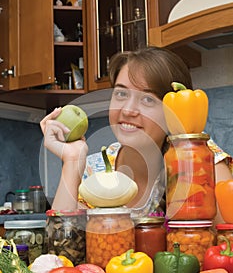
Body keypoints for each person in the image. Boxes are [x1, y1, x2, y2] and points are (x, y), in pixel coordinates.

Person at [40, 46, 232, 225]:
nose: (128, 110)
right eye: (121, 94)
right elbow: (63, 247)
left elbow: (225, 241)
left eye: (148, 99)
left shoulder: (201, 157)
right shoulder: (94, 169)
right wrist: (72, 161)